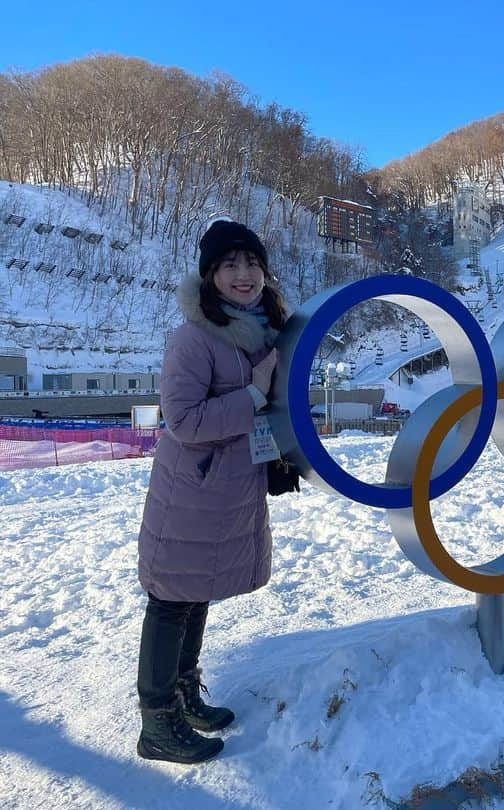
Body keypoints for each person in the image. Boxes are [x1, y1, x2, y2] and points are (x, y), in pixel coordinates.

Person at [135, 219, 290, 764]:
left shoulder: (268, 329)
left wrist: (280, 455)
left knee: (195, 593)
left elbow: (272, 405)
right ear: (210, 275)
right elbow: (182, 420)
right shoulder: (195, 337)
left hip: (231, 489)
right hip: (192, 491)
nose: (244, 275)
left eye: (251, 263)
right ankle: (157, 722)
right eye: (230, 265)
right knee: (171, 601)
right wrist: (251, 394)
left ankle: (183, 695)